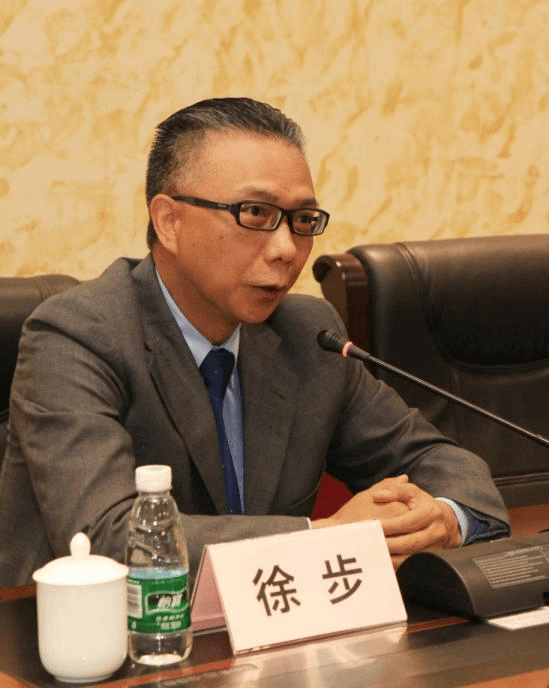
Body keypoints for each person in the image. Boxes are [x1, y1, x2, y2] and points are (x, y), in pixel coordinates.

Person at [0, 97, 508, 589]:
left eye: (303, 220)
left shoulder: (307, 333)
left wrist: (444, 518)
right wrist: (326, 539)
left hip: (268, 628)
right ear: (169, 221)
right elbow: (108, 537)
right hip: (92, 635)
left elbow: (439, 462)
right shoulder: (77, 335)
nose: (287, 249)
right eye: (255, 213)